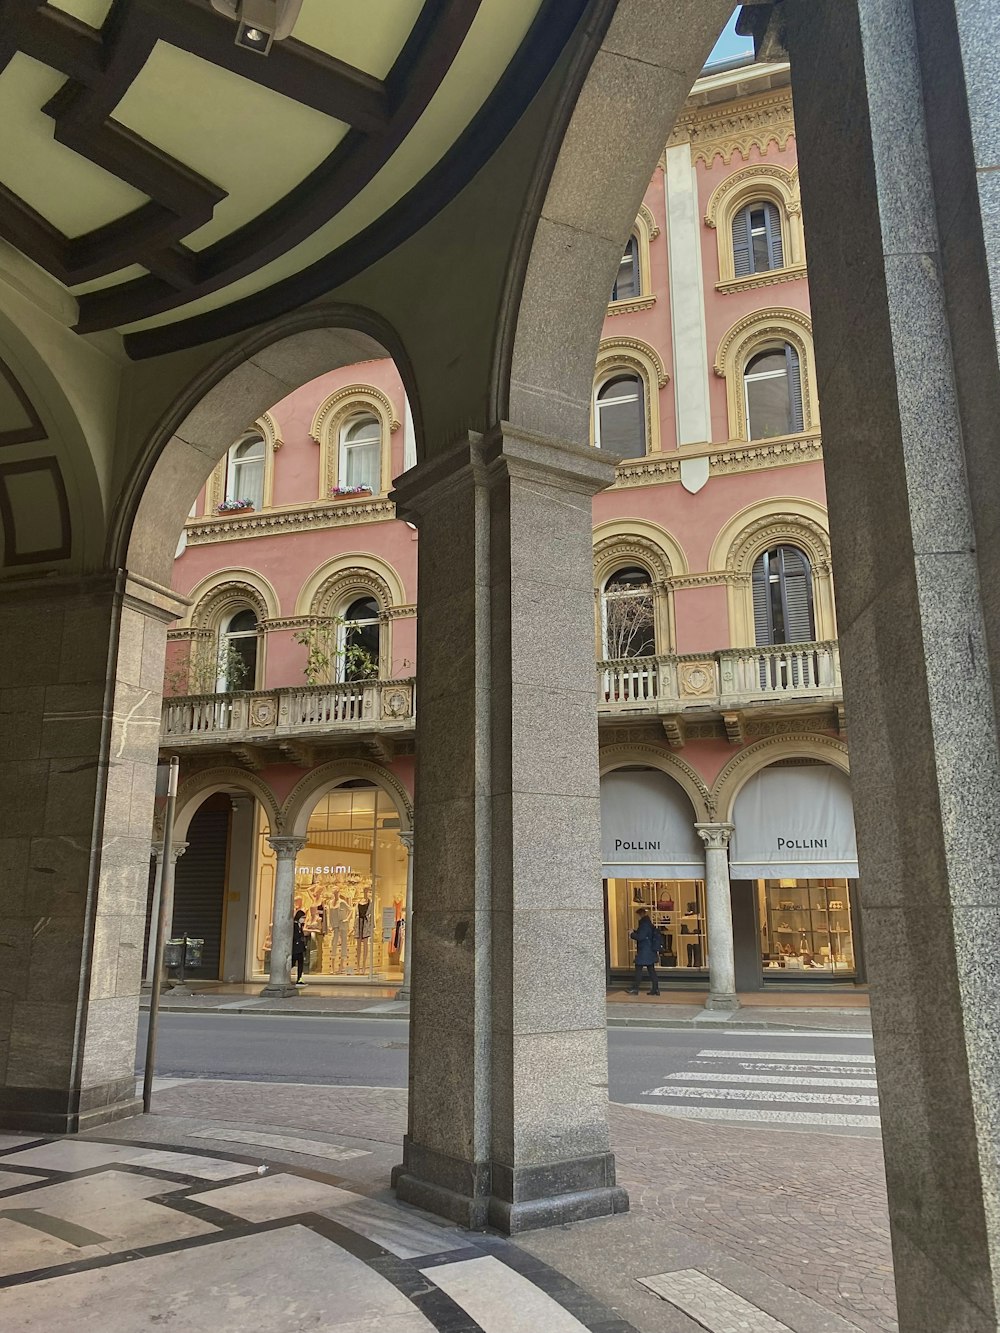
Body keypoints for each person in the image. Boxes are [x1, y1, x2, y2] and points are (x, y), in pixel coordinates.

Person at [626, 906, 662, 996]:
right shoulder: (647, 923)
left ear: (640, 914)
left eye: (637, 915)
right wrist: (634, 931)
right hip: (649, 950)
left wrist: (632, 934)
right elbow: (643, 934)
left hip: (644, 950)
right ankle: (655, 989)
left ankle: (635, 988)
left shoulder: (644, 924)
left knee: (638, 969)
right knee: (651, 970)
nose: (637, 917)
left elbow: (640, 937)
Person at [292, 909, 310, 985]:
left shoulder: (300, 925)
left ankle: (299, 979)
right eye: (303, 917)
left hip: (300, 948)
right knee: (292, 963)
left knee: (300, 964)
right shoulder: (294, 925)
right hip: (295, 948)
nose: (303, 919)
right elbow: (295, 936)